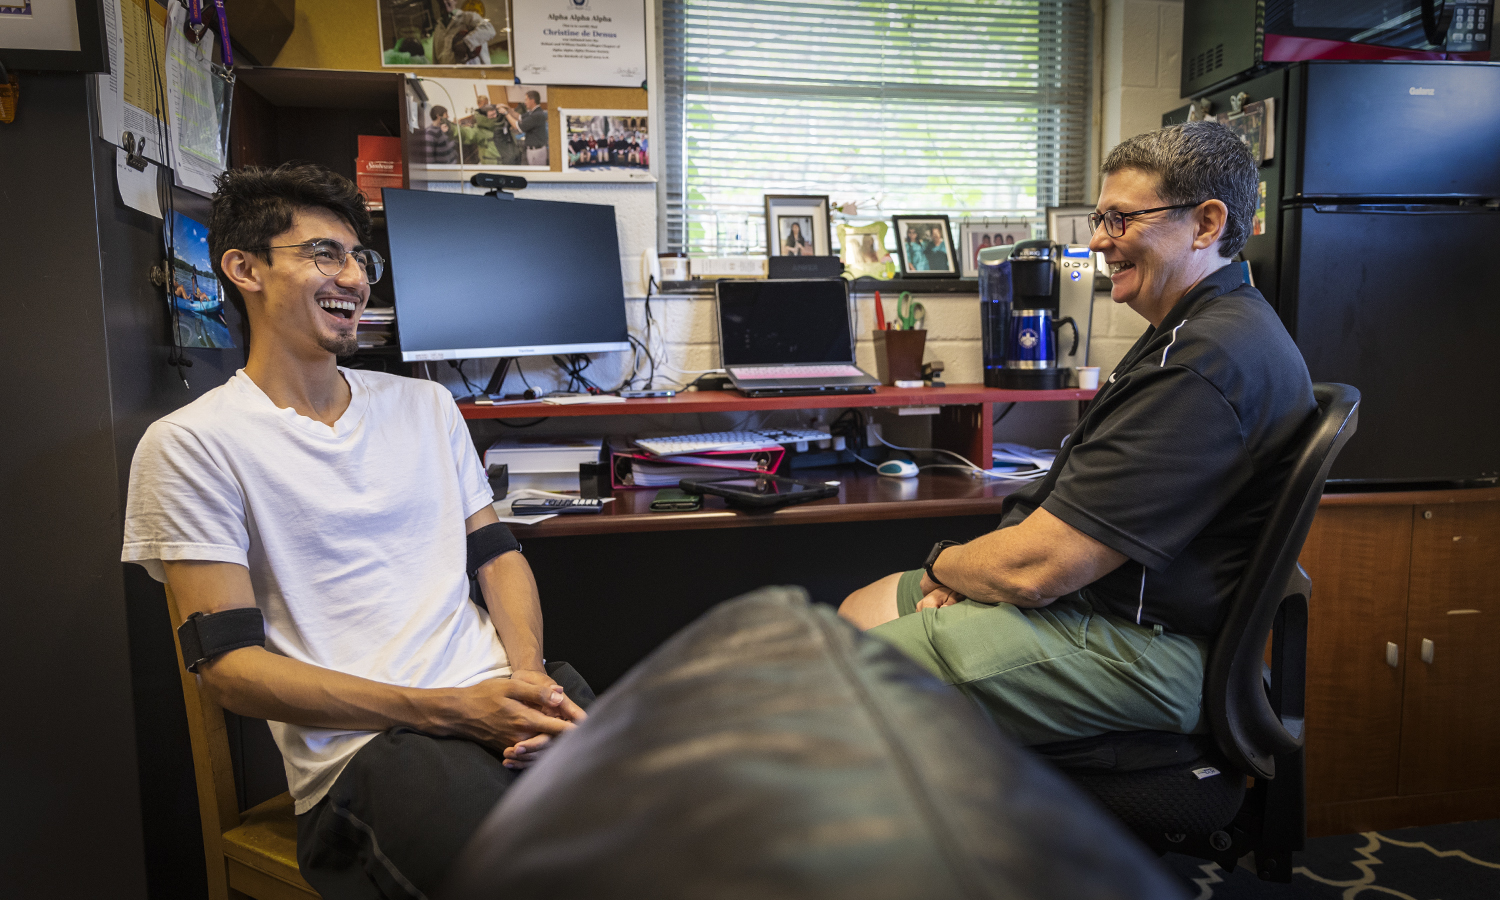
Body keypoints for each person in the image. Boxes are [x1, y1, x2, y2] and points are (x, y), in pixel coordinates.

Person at [121, 163, 590, 899]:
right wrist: (447, 710)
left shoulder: (426, 406)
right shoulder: (194, 444)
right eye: (322, 254)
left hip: (500, 699)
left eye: (358, 258)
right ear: (243, 269)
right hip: (373, 753)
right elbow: (230, 672)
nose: (354, 277)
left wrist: (523, 675)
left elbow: (498, 556)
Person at [839, 122, 1315, 748]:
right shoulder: (1198, 328)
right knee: (857, 611)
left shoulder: (1206, 362)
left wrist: (952, 572)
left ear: (1205, 224)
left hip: (1148, 649)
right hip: (1098, 605)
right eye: (1099, 218)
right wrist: (973, 578)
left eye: (1121, 220)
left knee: (843, 676)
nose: (1096, 241)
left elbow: (1039, 569)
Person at [430, 0, 495, 65]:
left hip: (473, 73)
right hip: (448, 74)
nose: (444, 2)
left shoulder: (468, 18)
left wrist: (466, 43)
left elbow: (489, 30)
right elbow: (435, 62)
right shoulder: (438, 30)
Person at [518, 90, 548, 166]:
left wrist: (506, 113)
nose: (525, 103)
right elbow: (519, 117)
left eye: (526, 100)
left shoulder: (536, 115)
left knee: (538, 175)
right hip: (532, 150)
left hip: (537, 152)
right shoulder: (532, 113)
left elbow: (518, 127)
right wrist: (508, 109)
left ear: (532, 100)